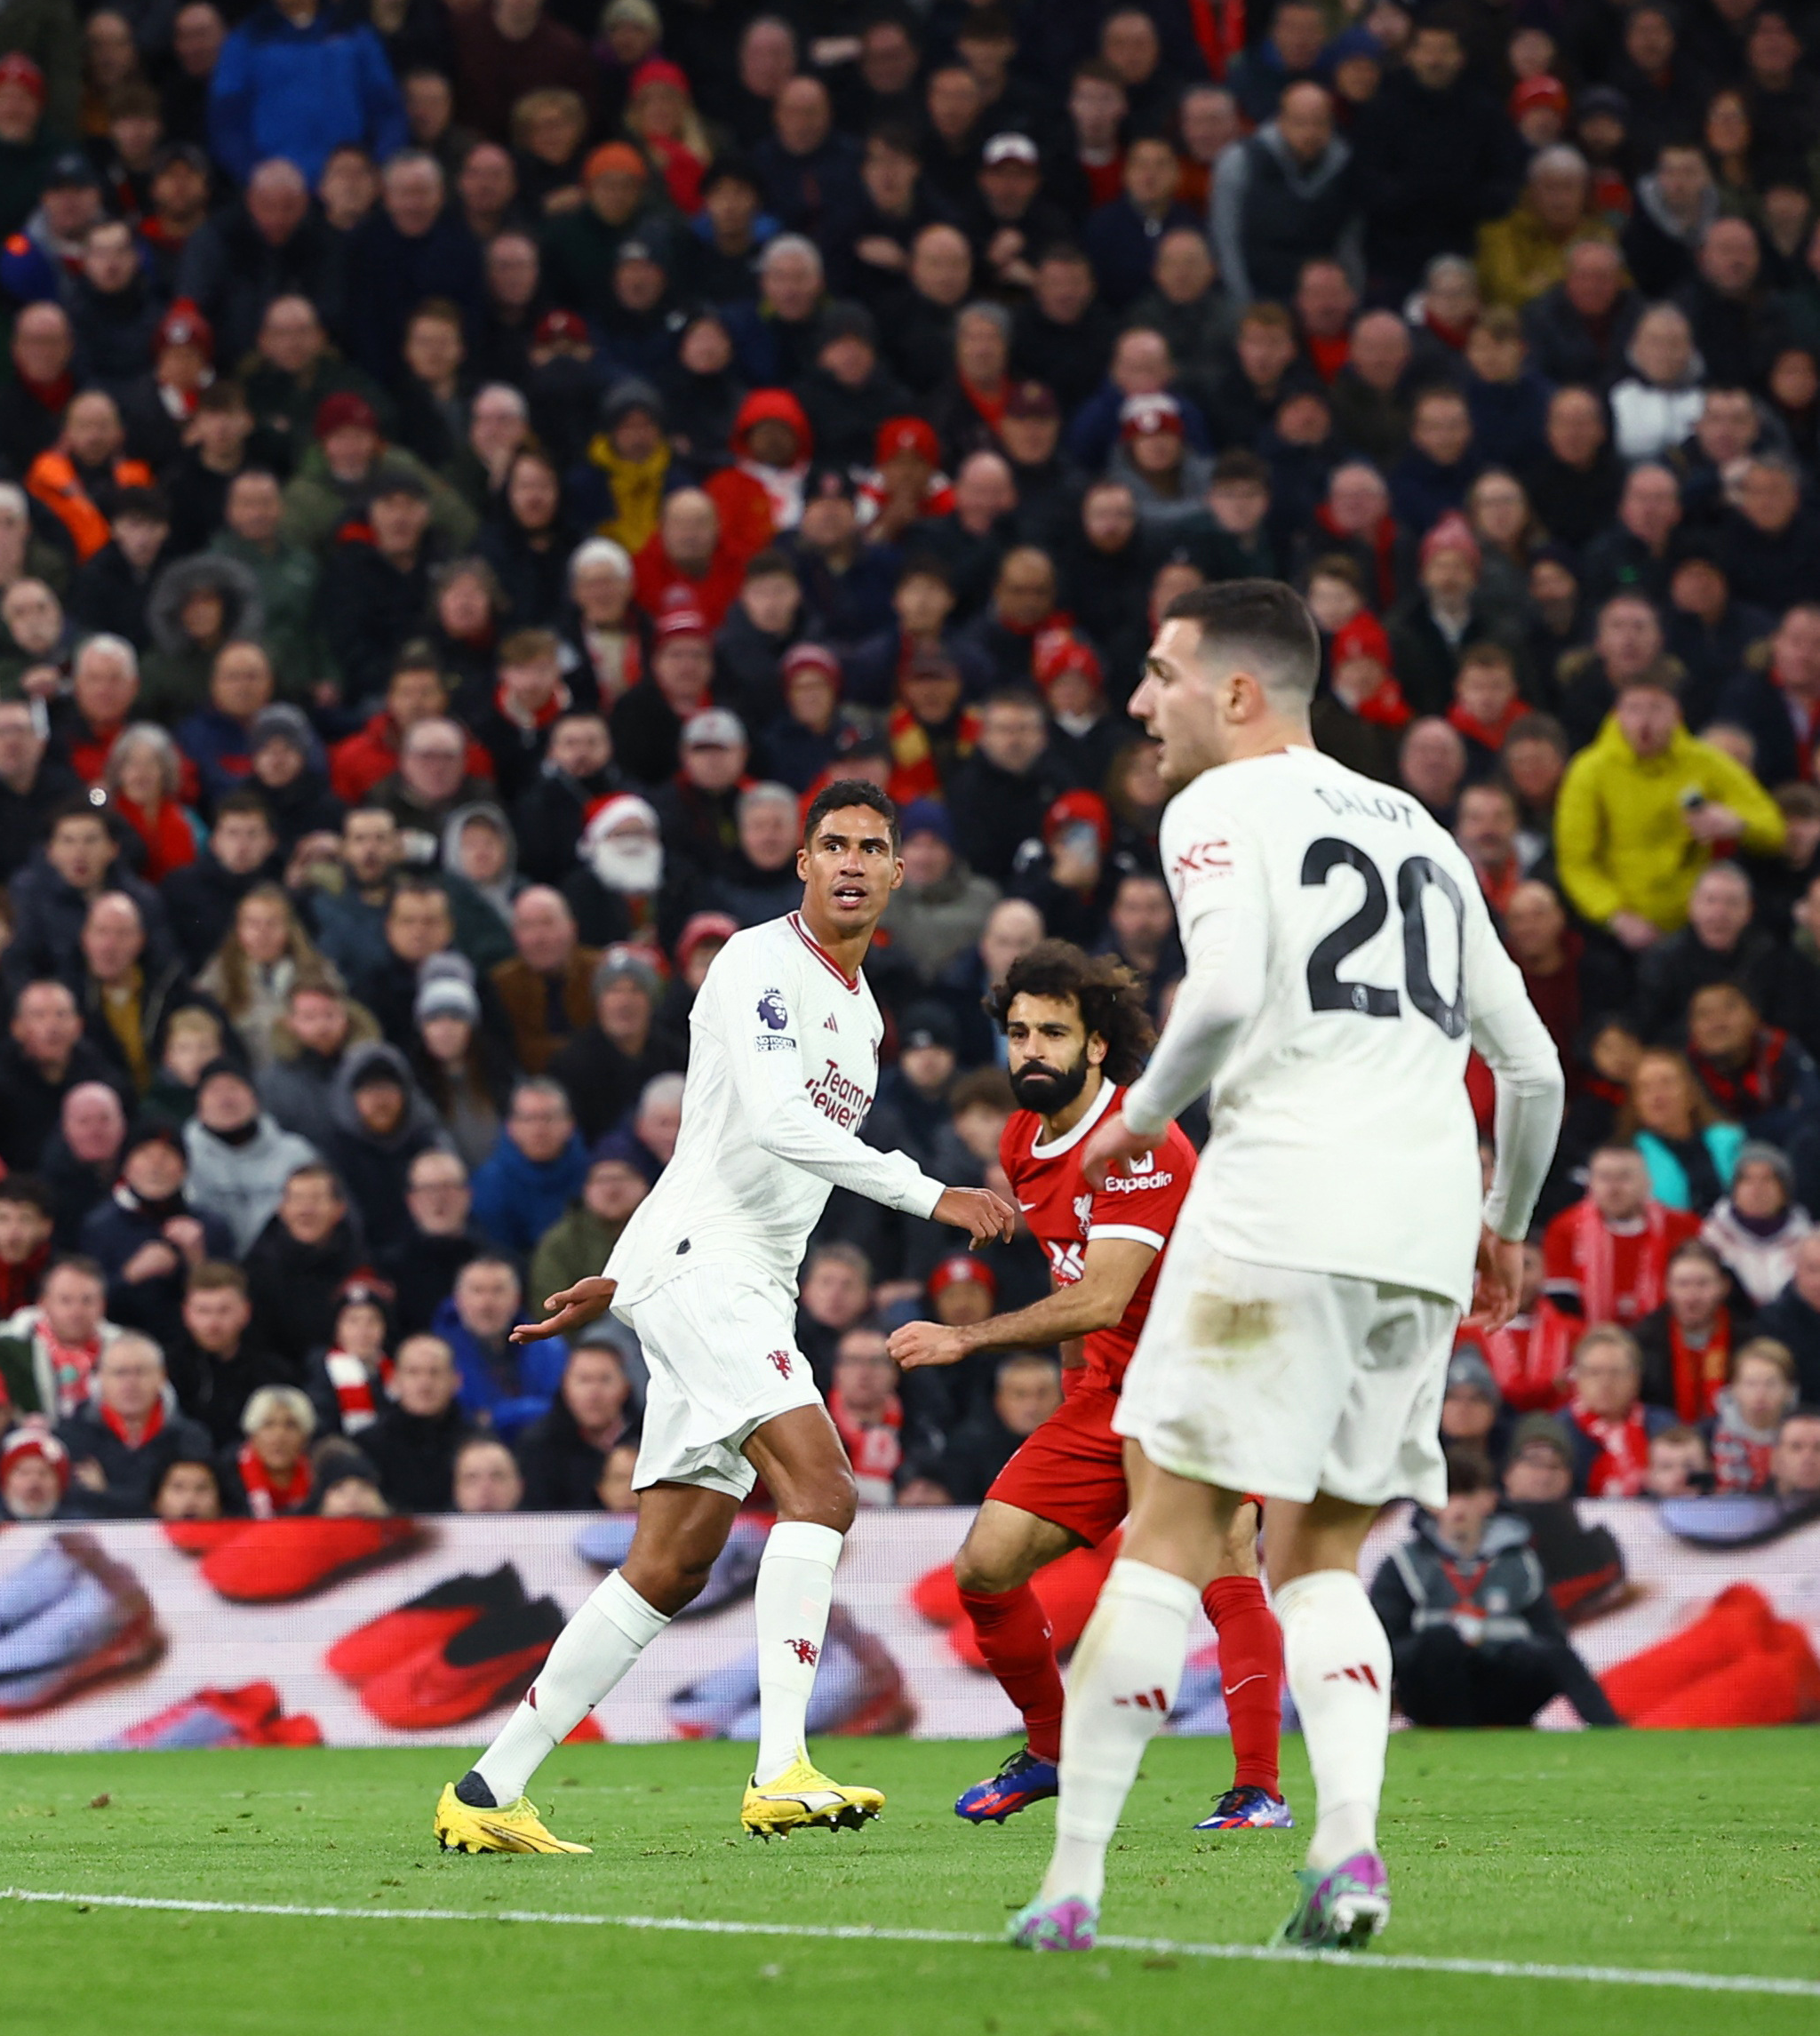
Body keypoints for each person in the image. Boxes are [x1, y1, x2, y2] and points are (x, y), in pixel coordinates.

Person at [1000, 579, 1560, 1958]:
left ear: (1235, 693)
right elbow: (1531, 1063)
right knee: (1320, 1554)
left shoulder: (1217, 806)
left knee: (1171, 1536)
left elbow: (1233, 992)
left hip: (1278, 1202)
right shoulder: (1422, 828)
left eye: (1156, 676)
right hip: (1421, 1232)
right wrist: (1506, 1220)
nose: (1138, 703)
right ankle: (1346, 1855)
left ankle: (1068, 1885)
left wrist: (1126, 1122)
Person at [435, 778, 1025, 1858]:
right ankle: (779, 1767)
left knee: (669, 1560)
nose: (851, 861)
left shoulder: (863, 1013)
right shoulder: (755, 961)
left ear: (897, 875)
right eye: (832, 843)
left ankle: (486, 1786)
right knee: (823, 1487)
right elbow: (771, 1118)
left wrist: (619, 1274)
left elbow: (705, 1145)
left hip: (718, 1270)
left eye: (872, 848)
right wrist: (929, 1190)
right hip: (711, 1271)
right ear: (801, 862)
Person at [887, 940, 1291, 1832]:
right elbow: (1069, 1271)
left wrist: (966, 1336)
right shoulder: (1022, 1133)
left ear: (1096, 1044)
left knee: (1223, 1553)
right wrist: (1077, 1392)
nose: (1029, 1048)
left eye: (1052, 1032)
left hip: (1202, 1371)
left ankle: (1256, 1786)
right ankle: (1051, 1752)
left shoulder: (1140, 1142)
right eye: (1018, 1030)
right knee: (985, 1567)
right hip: (1109, 1384)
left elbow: (1100, 1289)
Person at [1371, 1447, 1622, 1729]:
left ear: (1490, 1500)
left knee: (1553, 1652)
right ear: (1429, 1502)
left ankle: (1611, 1730)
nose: (1458, 1506)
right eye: (1448, 1495)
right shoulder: (1404, 1564)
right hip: (1434, 1692)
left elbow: (1551, 1637)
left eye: (1469, 1494)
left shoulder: (1520, 1562)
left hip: (1502, 1683)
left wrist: (1510, 1651)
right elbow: (1385, 1645)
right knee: (1440, 1641)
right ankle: (1457, 1729)